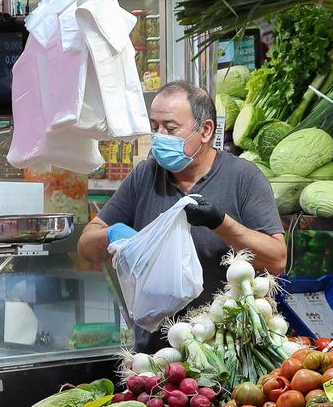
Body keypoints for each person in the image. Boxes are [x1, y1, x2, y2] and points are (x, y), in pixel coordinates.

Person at [79, 81, 286, 350]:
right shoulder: (145, 176)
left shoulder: (243, 178)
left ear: (205, 130)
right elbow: (86, 246)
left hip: (229, 351)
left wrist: (220, 223)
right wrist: (113, 234)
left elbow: (277, 259)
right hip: (157, 355)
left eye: (171, 128)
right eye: (155, 127)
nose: (160, 137)